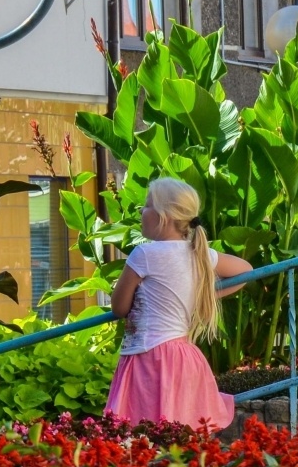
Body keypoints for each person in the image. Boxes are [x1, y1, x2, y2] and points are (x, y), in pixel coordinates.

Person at [106, 177, 252, 428]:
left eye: (147, 205)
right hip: (183, 358)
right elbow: (246, 271)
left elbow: (119, 308)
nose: (142, 211)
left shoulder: (144, 254)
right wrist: (204, 294)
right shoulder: (199, 252)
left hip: (148, 359)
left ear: (164, 215)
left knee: (143, 434)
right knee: (182, 434)